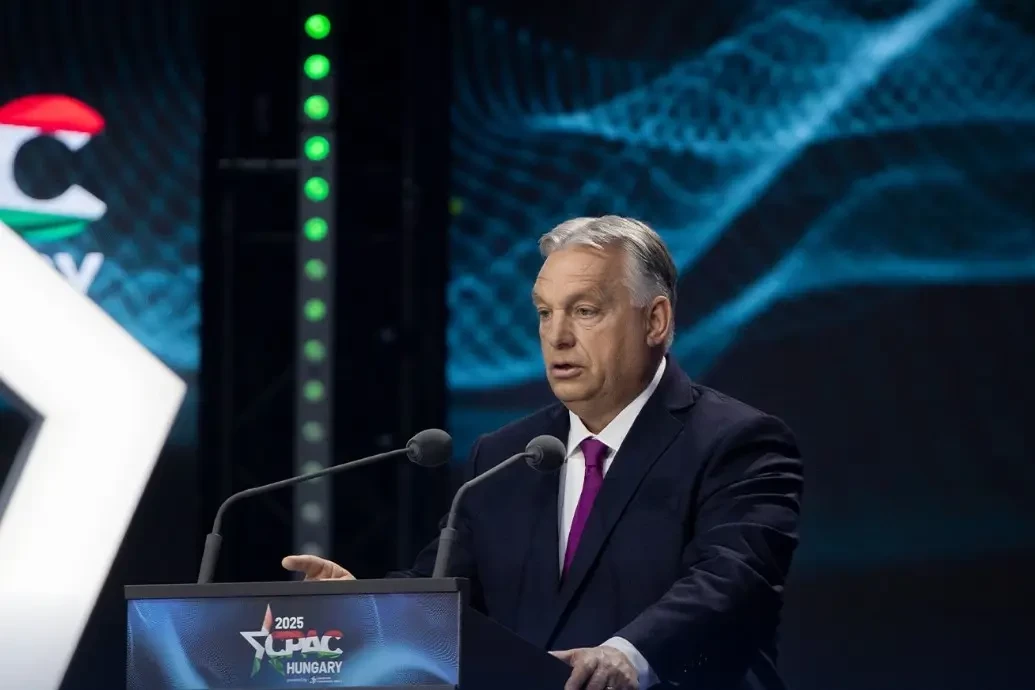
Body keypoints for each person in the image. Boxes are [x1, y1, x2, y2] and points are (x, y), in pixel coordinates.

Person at [283, 215, 804, 690]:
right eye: (544, 312)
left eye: (585, 311)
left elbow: (733, 582)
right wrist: (363, 604)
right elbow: (441, 591)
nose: (557, 336)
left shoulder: (736, 442)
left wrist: (627, 654)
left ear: (656, 321)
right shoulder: (506, 456)